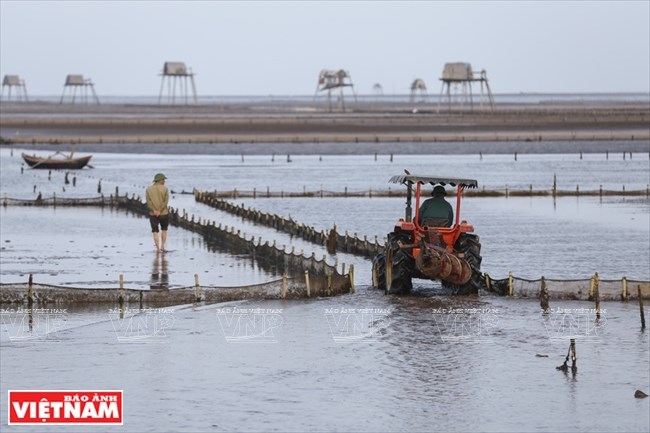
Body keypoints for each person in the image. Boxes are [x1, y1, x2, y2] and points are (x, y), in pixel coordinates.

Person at [146, 173, 170, 252]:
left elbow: (148, 202)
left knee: (155, 231)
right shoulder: (165, 189)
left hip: (153, 214)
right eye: (163, 180)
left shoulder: (148, 189)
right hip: (163, 213)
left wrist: (154, 210)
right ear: (160, 180)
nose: (164, 181)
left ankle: (157, 248)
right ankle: (163, 246)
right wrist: (160, 210)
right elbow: (165, 202)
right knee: (164, 229)